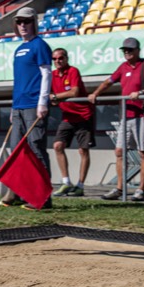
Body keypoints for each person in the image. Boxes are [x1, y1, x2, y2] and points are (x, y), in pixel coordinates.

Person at [88, 37, 144, 201]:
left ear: (137, 51)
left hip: (141, 114)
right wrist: (95, 93)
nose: (127, 52)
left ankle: (141, 190)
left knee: (143, 152)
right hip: (125, 116)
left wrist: (141, 93)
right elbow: (108, 81)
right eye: (125, 50)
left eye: (130, 50)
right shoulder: (123, 67)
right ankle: (120, 188)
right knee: (119, 152)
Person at [0, 7, 53, 209]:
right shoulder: (18, 48)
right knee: (16, 151)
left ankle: (44, 197)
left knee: (36, 149)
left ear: (34, 23)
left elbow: (46, 74)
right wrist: (14, 108)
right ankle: (19, 193)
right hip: (19, 106)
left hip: (33, 105)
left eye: (26, 21)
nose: (23, 25)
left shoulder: (40, 45)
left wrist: (42, 102)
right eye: (19, 22)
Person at [49, 48, 95, 197]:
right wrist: (52, 98)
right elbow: (49, 95)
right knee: (57, 145)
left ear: (66, 58)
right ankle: (66, 182)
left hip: (84, 115)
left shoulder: (73, 71)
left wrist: (55, 97)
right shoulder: (53, 75)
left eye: (60, 58)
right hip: (68, 116)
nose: (57, 61)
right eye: (54, 59)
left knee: (83, 150)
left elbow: (74, 92)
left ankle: (80, 186)